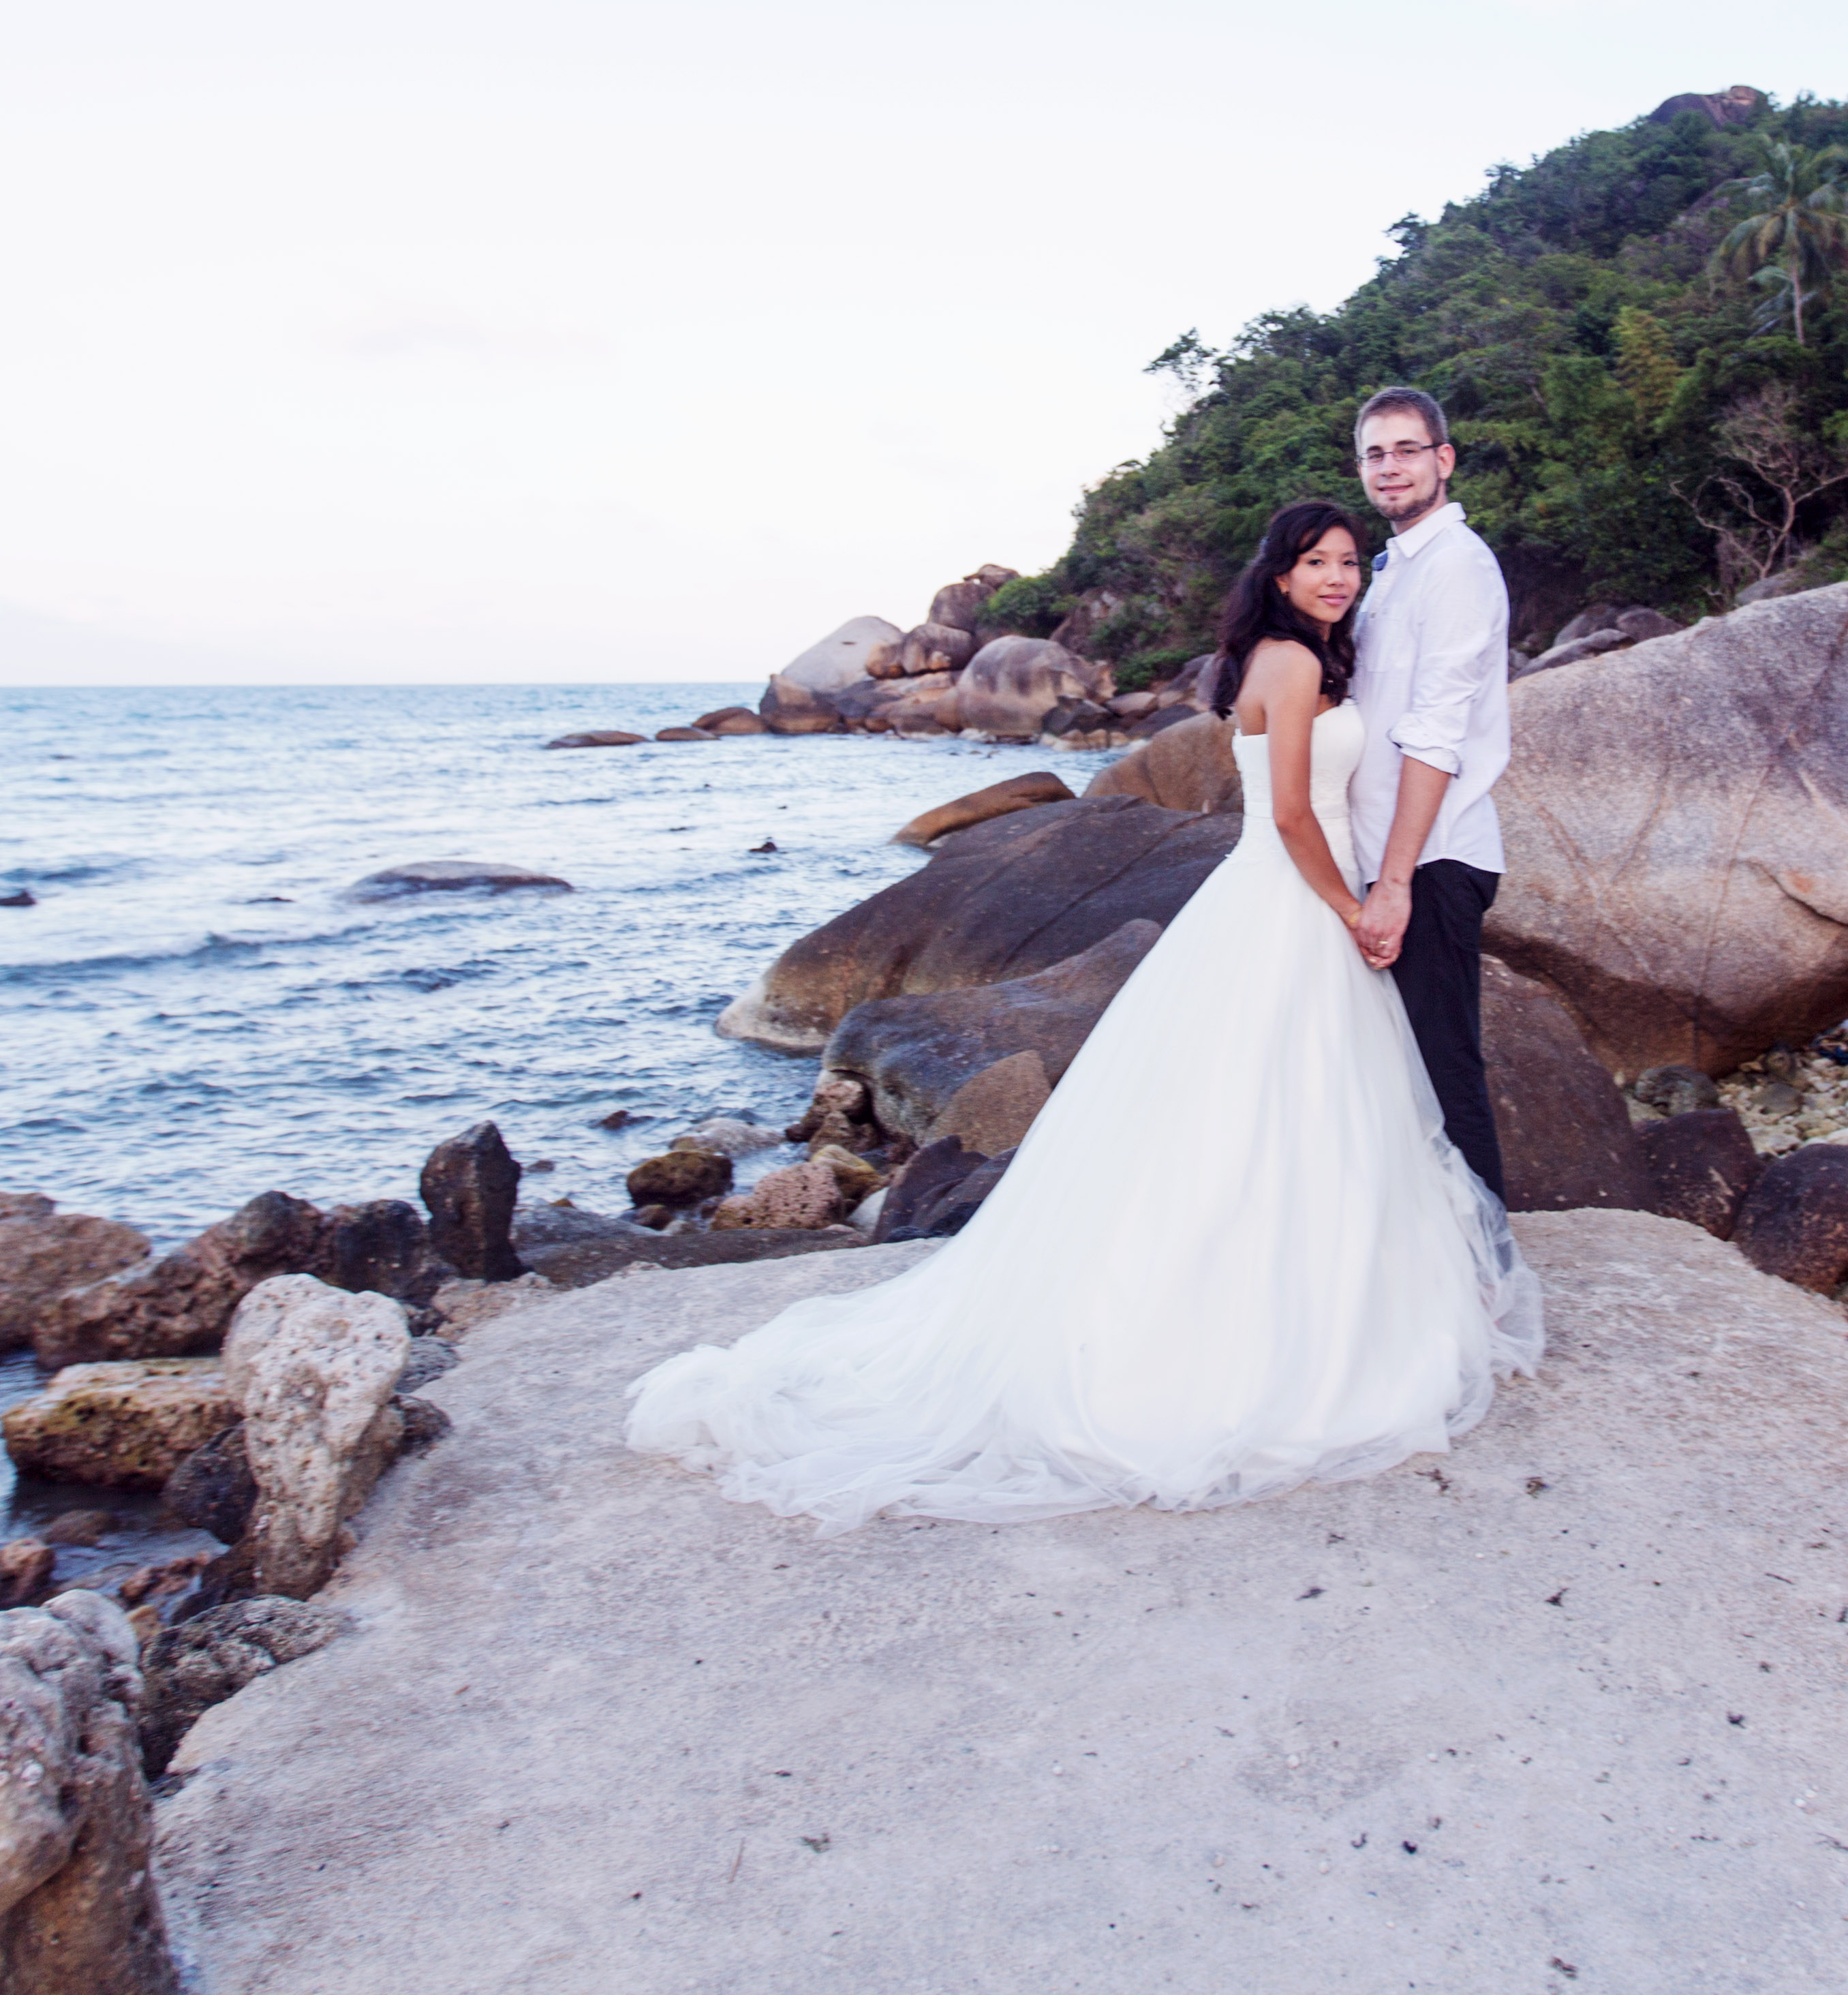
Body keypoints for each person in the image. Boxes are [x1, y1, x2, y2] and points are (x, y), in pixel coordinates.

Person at [623, 500, 1542, 1532]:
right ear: (1279, 576)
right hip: (1291, 898)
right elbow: (1286, 816)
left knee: (1301, 1101)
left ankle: (1316, 1292)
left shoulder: (1322, 659)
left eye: (1345, 563)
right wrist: (1356, 908)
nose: (1336, 578)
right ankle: (1239, 1317)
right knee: (1276, 1096)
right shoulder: (1285, 664)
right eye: (1315, 563)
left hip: (1295, 900)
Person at [1341, 385, 1515, 1202]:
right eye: (1375, 453)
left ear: (1443, 460)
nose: (1390, 467)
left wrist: (1397, 881)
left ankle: (1487, 1270)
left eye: (1407, 449)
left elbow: (1434, 737)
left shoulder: (1455, 568)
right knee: (1397, 1077)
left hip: (1433, 859)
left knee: (1444, 1072)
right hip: (1388, 857)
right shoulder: (1392, 572)